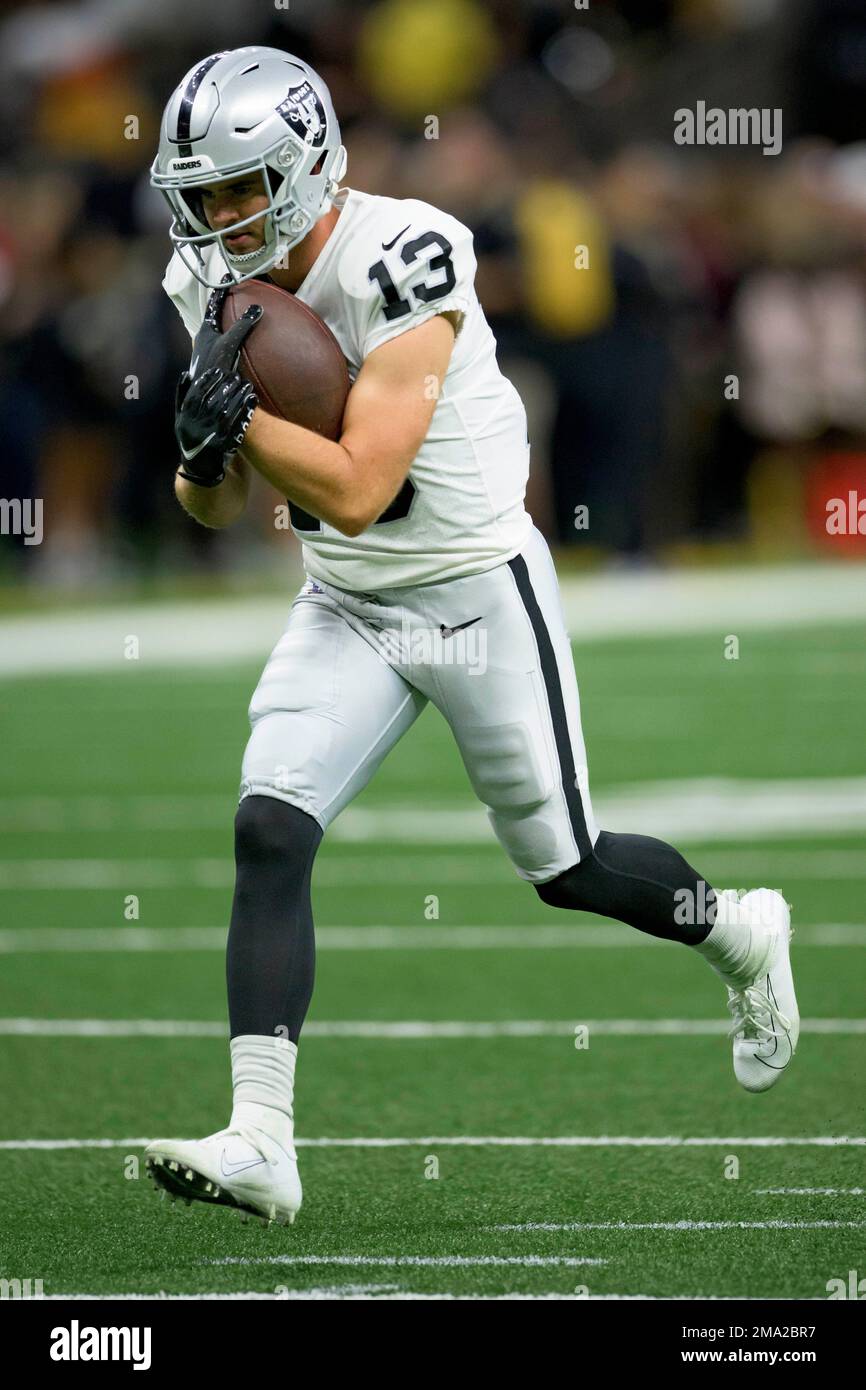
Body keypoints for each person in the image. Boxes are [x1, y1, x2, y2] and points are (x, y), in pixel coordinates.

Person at [145, 47, 798, 1226]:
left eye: (241, 189)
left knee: (567, 866)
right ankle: (260, 1139)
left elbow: (355, 479)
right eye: (202, 195)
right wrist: (200, 452)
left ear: (302, 166)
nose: (219, 218)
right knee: (268, 824)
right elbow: (211, 503)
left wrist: (233, 422)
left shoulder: (407, 249)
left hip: (467, 587)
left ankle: (740, 931)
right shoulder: (204, 282)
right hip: (344, 597)